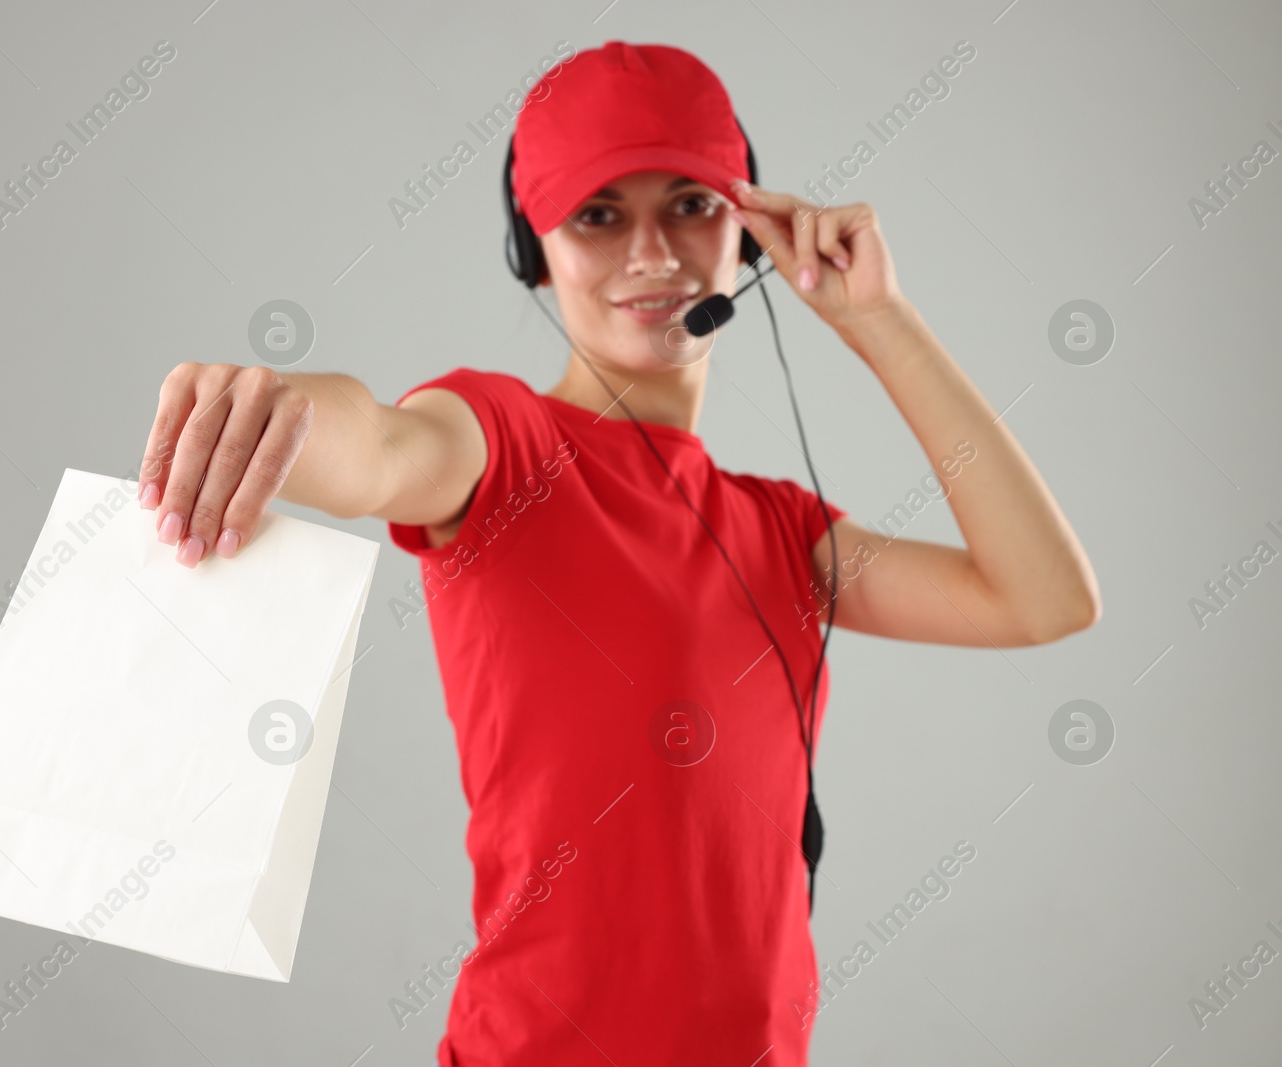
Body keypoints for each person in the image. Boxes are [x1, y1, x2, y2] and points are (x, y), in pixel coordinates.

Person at [135, 39, 1100, 1067]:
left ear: (749, 234)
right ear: (533, 249)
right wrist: (281, 410)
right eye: (598, 215)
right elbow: (377, 445)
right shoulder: (501, 444)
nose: (653, 253)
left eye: (690, 203)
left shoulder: (780, 531)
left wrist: (880, 322)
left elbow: (1040, 598)